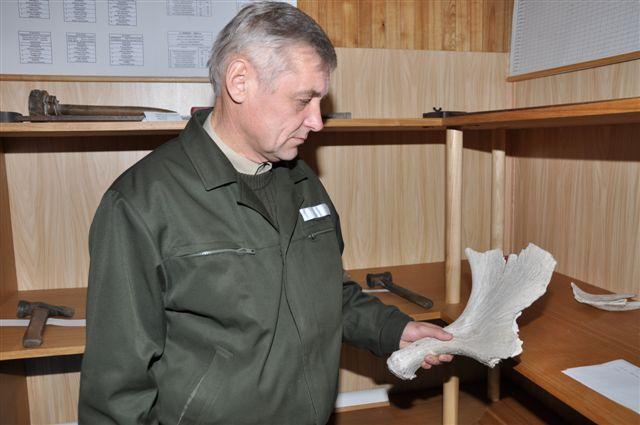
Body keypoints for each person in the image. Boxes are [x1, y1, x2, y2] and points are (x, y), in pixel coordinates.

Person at [78, 2, 452, 424]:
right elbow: (115, 389)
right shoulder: (140, 203)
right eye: (303, 100)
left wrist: (392, 330)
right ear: (240, 81)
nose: (317, 122)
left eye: (320, 102)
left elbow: (327, 293)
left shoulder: (302, 180)